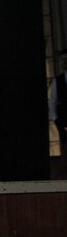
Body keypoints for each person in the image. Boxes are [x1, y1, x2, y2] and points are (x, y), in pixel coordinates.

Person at [49, 51, 67, 179]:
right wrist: (56, 119)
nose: (64, 62)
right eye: (62, 60)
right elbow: (53, 101)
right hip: (64, 121)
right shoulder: (58, 80)